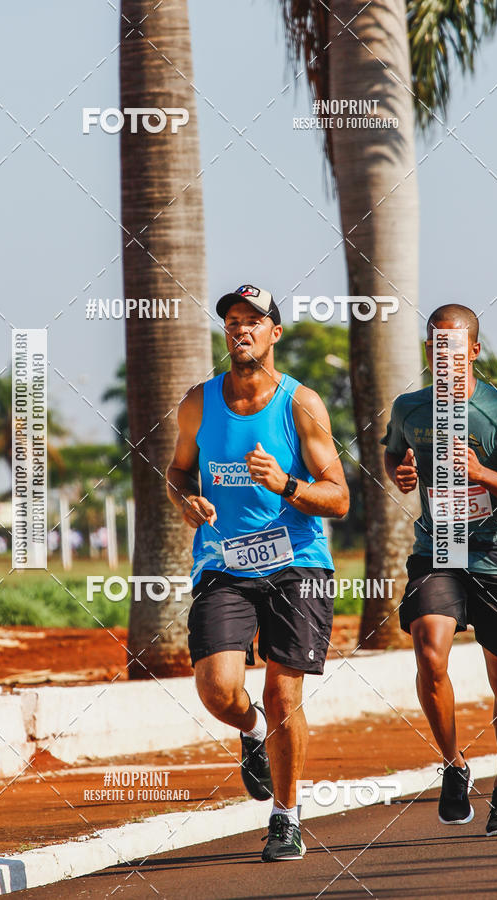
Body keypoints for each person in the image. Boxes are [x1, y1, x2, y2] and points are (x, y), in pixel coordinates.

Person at [166, 284, 349, 861]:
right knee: (218, 689)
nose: (240, 330)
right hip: (223, 562)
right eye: (231, 322)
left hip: (298, 563)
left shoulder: (301, 404)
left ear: (274, 333)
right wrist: (186, 501)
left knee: (281, 689)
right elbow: (177, 471)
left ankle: (286, 816)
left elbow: (339, 498)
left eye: (253, 321)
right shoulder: (198, 401)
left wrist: (286, 485)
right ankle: (252, 733)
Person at [382, 303, 497, 836]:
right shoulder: (409, 408)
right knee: (429, 652)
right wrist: (401, 472)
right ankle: (453, 765)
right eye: (435, 344)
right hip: (439, 551)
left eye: (454, 345)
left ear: (473, 349)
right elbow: (393, 455)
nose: (443, 354)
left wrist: (481, 473)